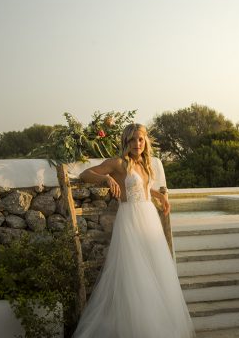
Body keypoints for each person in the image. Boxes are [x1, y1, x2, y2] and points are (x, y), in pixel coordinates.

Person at [72, 123, 195, 338]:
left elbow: (144, 189)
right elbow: (85, 173)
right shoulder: (118, 163)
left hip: (149, 219)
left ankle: (158, 326)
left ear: (145, 141)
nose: (137, 144)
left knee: (155, 272)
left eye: (140, 139)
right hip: (130, 220)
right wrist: (106, 178)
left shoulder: (146, 164)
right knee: (135, 275)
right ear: (126, 142)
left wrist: (160, 196)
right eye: (132, 140)